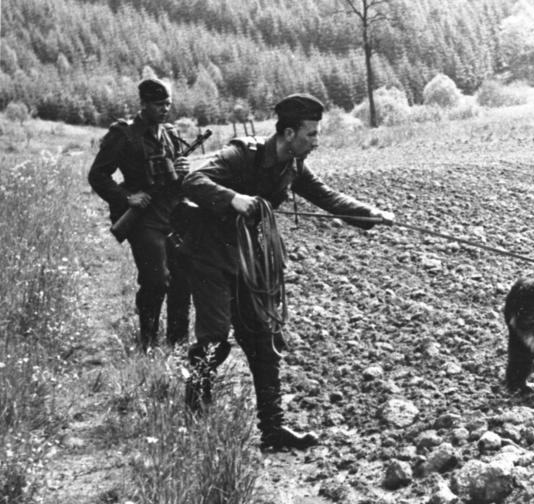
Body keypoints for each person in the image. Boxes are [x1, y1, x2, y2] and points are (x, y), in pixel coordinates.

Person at [178, 93, 393, 451]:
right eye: (310, 134)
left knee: (263, 340)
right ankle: (195, 416)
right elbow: (192, 181)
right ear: (289, 133)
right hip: (210, 256)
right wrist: (234, 199)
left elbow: (326, 197)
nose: (316, 141)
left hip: (250, 261)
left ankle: (273, 432)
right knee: (214, 340)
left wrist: (370, 213)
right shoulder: (241, 155)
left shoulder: (292, 167)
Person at [88, 78, 191, 350]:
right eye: (159, 104)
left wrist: (182, 171)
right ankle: (147, 343)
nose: (165, 109)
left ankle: (177, 345)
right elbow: (98, 175)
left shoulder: (169, 133)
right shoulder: (124, 135)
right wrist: (126, 197)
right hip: (143, 218)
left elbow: (177, 179)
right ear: (144, 104)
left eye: (168, 103)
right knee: (156, 280)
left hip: (173, 213)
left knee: (182, 277)